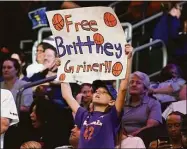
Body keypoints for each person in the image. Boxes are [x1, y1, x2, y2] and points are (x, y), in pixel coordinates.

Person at [61, 44, 133, 148]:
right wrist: (62, 69)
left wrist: (128, 59)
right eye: (96, 91)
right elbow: (67, 95)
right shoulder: (84, 115)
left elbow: (123, 88)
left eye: (103, 92)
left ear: (112, 101)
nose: (98, 92)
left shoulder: (112, 116)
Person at [123, 71, 162, 136]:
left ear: (145, 89)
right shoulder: (122, 104)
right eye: (131, 82)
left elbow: (151, 126)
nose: (134, 84)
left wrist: (131, 136)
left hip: (142, 138)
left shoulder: (153, 103)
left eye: (138, 83)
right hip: (120, 138)